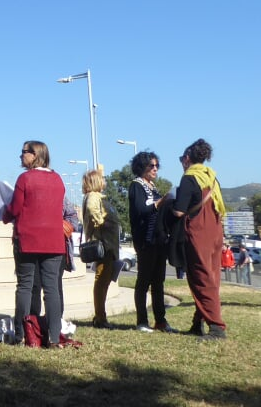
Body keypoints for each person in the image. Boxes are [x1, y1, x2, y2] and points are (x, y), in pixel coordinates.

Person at [2, 140, 67, 347]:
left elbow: (15, 209)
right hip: (54, 241)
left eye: (24, 152)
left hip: (28, 240)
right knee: (51, 289)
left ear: (35, 154)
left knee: (25, 286)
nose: (21, 155)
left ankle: (21, 334)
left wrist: (4, 214)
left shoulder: (25, 178)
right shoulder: (57, 179)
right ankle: (54, 336)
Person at [172, 139, 227, 340]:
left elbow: (179, 211)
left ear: (187, 158)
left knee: (201, 278)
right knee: (211, 277)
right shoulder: (211, 177)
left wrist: (168, 204)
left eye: (181, 159)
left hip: (199, 232)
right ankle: (198, 323)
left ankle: (216, 327)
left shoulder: (189, 178)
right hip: (215, 230)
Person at [127, 151, 175, 333]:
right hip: (145, 241)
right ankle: (142, 321)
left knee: (158, 281)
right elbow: (140, 210)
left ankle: (161, 320)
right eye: (151, 166)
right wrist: (161, 202)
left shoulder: (153, 187)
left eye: (157, 165)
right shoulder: (136, 186)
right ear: (142, 167)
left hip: (159, 239)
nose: (155, 169)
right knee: (144, 281)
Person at [82, 168, 121, 330]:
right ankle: (100, 317)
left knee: (104, 280)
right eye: (102, 178)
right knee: (101, 281)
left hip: (109, 245)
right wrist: (100, 222)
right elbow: (92, 209)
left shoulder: (98, 196)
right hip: (104, 244)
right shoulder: (93, 196)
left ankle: (101, 316)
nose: (104, 181)